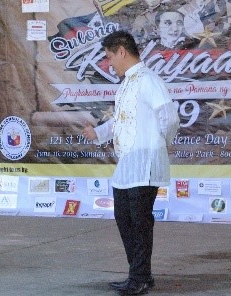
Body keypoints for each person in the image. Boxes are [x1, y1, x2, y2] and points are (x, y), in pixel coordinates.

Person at [82, 31, 179, 295]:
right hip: (128, 163)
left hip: (145, 162)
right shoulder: (127, 84)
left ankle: (139, 278)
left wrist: (160, 143)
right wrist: (99, 133)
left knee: (139, 221)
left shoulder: (148, 80)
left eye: (110, 56)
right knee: (124, 218)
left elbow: (169, 116)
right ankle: (140, 274)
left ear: (122, 51)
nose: (109, 63)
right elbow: (122, 120)